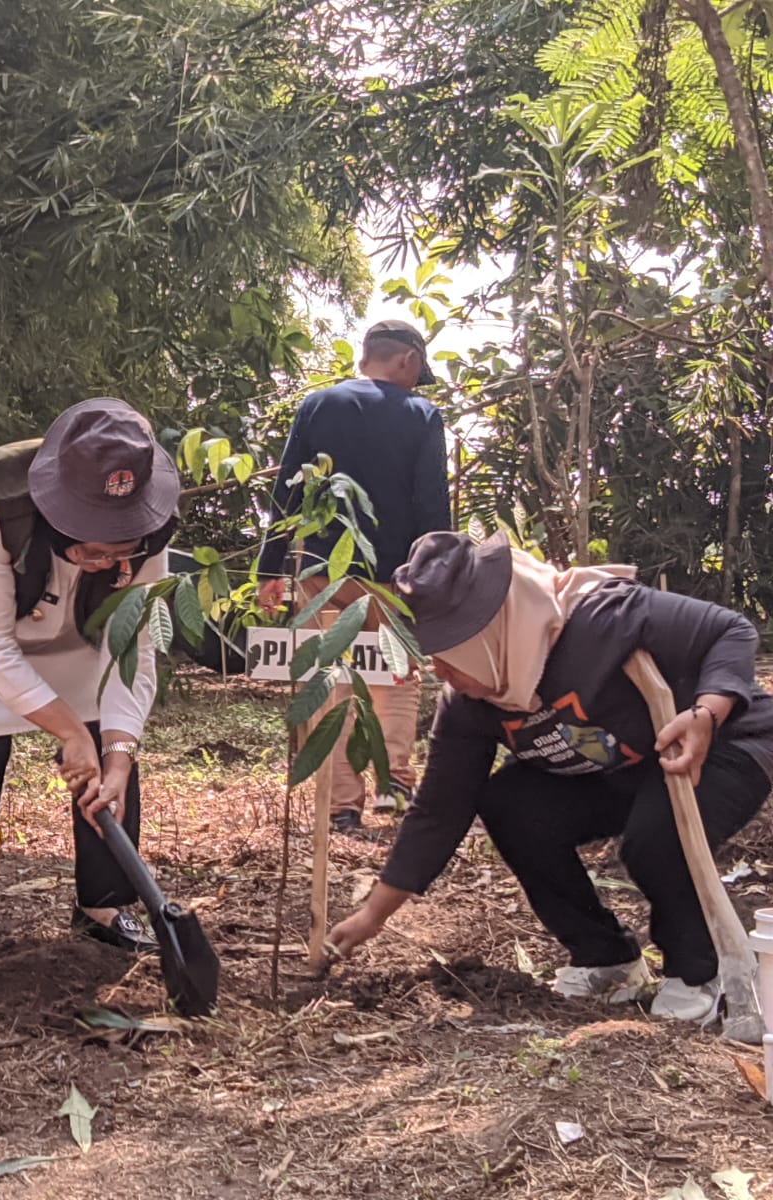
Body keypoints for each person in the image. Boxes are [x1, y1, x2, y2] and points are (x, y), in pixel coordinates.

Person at [325, 531, 773, 1024]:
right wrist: (374, 915)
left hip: (721, 746)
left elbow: (730, 631)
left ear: (492, 632)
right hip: (616, 769)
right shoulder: (471, 705)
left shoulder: (604, 619)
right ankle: (607, 958)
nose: (439, 670)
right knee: (509, 804)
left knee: (655, 840)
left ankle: (698, 971)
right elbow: (439, 809)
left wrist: (707, 713)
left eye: (448, 650)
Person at [0, 398, 178, 964]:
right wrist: (68, 732)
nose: (103, 559)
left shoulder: (151, 522)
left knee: (107, 745)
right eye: (90, 543)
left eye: (117, 547)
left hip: (74, 620)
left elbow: (134, 642)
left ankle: (104, 903)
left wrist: (117, 752)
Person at [257, 319, 449, 832]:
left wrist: (268, 570)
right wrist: (437, 578)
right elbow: (432, 504)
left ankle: (342, 805)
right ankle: (393, 787)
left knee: (331, 681)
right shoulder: (422, 415)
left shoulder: (318, 405)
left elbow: (288, 492)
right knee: (397, 679)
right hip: (394, 576)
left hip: (320, 573)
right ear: (407, 360)